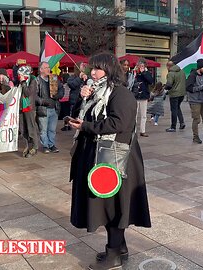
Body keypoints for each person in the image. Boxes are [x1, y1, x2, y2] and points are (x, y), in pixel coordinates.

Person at [67, 52, 151, 270]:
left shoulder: (120, 94)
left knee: (113, 206)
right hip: (98, 155)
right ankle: (119, 249)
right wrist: (82, 98)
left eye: (97, 68)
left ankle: (114, 255)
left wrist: (85, 127)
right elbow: (79, 115)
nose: (92, 72)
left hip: (115, 158)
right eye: (91, 68)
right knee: (107, 204)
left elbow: (117, 124)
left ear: (110, 70)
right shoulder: (96, 92)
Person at [36, 61, 64, 153]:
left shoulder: (54, 78)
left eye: (49, 67)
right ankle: (45, 145)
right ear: (41, 70)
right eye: (46, 67)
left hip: (54, 108)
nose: (49, 69)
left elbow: (61, 89)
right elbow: (33, 96)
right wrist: (43, 101)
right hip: (43, 109)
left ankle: (52, 145)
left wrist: (58, 95)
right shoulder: (37, 81)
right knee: (43, 129)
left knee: (52, 129)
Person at [18, 66, 39, 158]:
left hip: (29, 108)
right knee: (23, 128)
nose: (19, 76)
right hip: (21, 107)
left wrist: (23, 83)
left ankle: (34, 147)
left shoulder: (32, 81)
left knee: (31, 127)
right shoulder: (20, 82)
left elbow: (28, 93)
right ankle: (27, 145)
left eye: (20, 74)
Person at [133, 59, 154, 137]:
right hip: (135, 96)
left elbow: (151, 81)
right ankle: (133, 130)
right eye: (139, 65)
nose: (141, 67)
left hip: (143, 96)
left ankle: (142, 131)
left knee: (143, 115)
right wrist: (135, 73)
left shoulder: (147, 73)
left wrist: (144, 73)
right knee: (134, 115)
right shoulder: (134, 72)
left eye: (142, 66)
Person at [65, 62, 89, 131]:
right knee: (74, 117)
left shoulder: (87, 76)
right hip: (75, 101)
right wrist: (79, 78)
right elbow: (72, 85)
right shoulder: (72, 77)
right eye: (82, 66)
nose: (84, 68)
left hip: (84, 101)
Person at [165, 60, 186, 132]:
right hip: (182, 93)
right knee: (177, 108)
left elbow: (169, 84)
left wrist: (165, 88)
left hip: (174, 94)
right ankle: (182, 122)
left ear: (168, 66)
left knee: (173, 110)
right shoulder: (182, 72)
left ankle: (173, 126)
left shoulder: (171, 73)